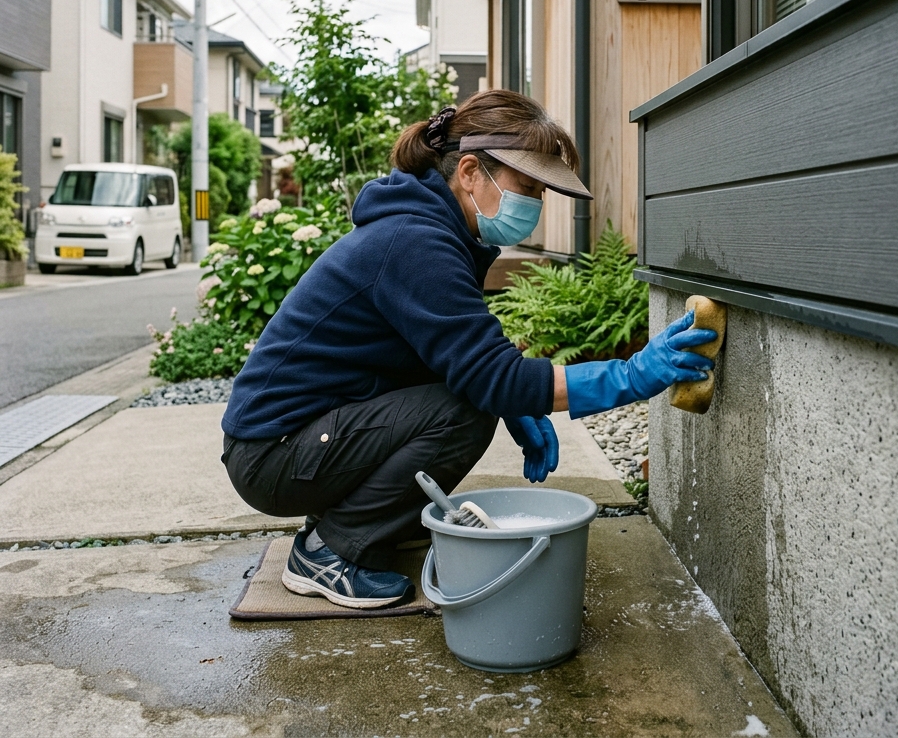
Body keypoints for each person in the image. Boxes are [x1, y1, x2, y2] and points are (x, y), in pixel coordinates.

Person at [221, 89, 717, 608]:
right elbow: (490, 380)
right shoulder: (414, 242)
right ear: (470, 172)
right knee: (466, 411)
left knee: (474, 399)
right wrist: (633, 374)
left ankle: (350, 522)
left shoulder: (428, 231)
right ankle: (329, 552)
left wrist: (512, 402)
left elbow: (455, 357)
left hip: (295, 440)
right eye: (527, 187)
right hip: (273, 457)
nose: (536, 205)